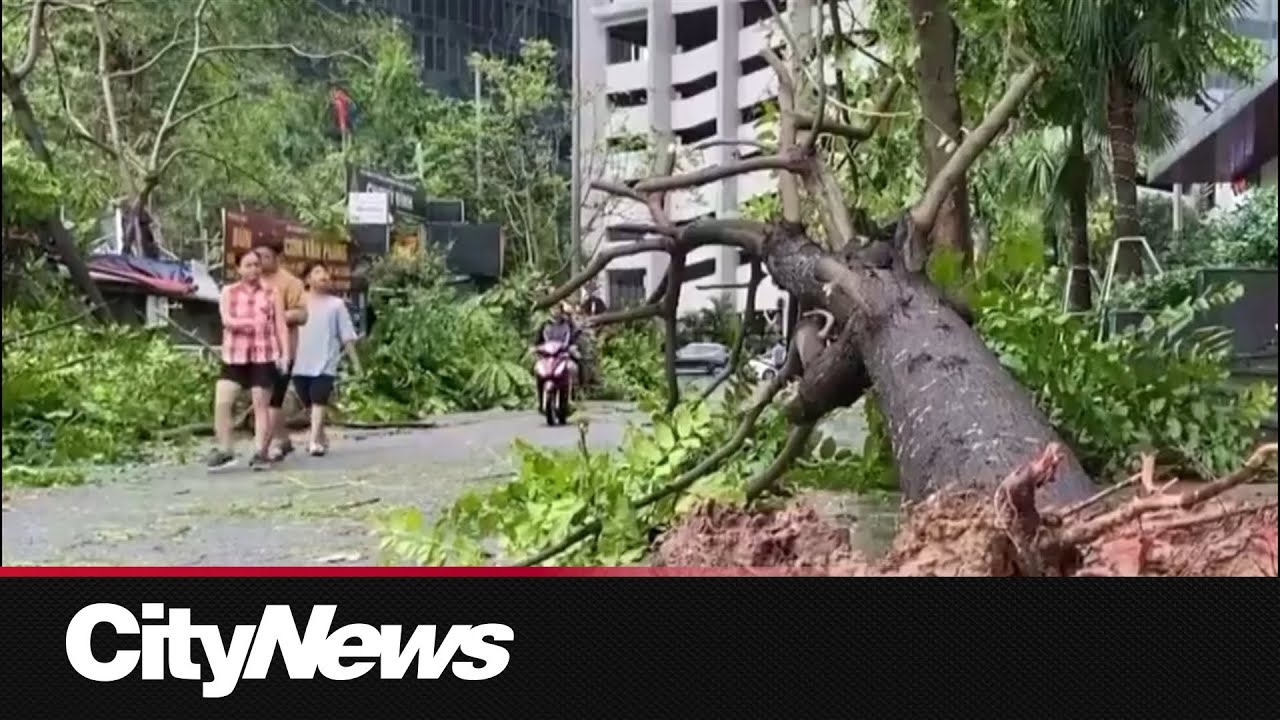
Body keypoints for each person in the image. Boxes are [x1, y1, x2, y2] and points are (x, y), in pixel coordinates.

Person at [206, 250, 290, 470]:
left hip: (264, 353)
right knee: (223, 401)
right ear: (238, 269)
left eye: (256, 265)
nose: (253, 270)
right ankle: (226, 449)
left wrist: (285, 355)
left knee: (261, 405)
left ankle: (260, 452)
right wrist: (252, 323)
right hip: (235, 354)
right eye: (248, 265)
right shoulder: (229, 292)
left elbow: (280, 325)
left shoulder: (272, 292)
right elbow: (227, 320)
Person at [291, 261, 362, 456]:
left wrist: (356, 364)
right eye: (317, 272)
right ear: (307, 279)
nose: (323, 276)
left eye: (325, 273)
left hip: (325, 361)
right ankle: (321, 435)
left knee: (319, 399)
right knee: (308, 403)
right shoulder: (298, 301)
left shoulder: (336, 305)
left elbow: (346, 336)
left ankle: (313, 441)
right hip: (299, 361)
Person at [253, 237, 308, 461]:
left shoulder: (290, 283)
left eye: (265, 257)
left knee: (274, 398)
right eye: (256, 257)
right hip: (255, 350)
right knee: (262, 400)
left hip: (283, 350)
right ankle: (282, 439)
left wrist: (276, 315)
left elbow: (302, 314)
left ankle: (266, 448)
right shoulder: (251, 281)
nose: (260, 261)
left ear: (277, 258)